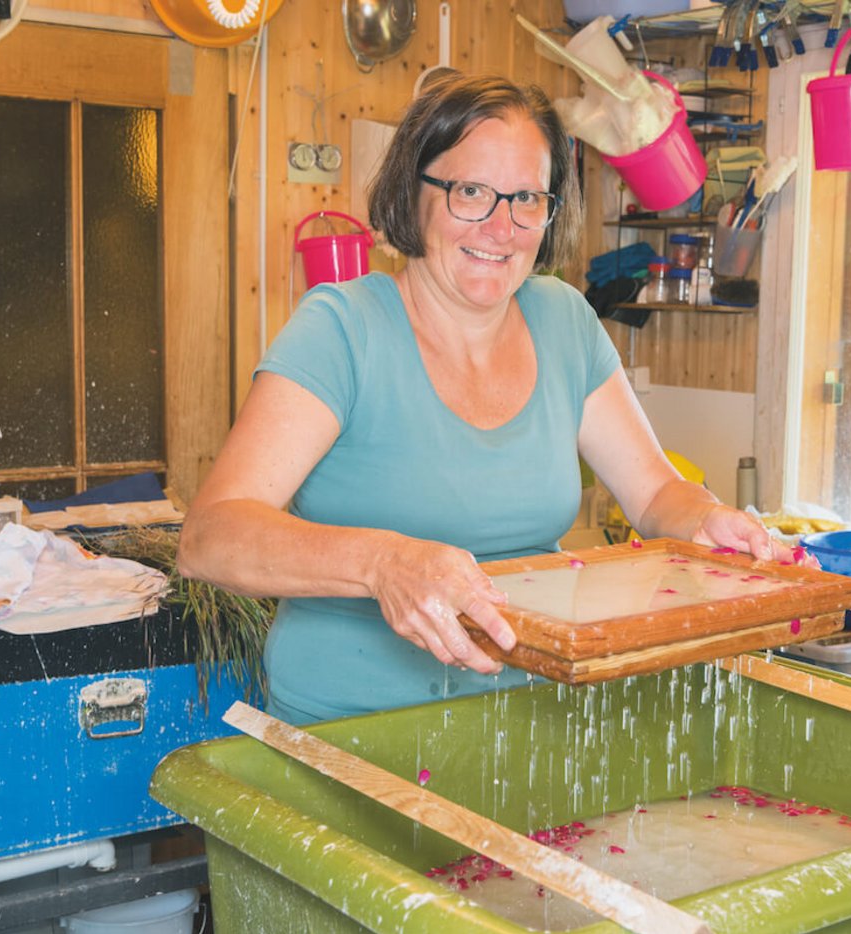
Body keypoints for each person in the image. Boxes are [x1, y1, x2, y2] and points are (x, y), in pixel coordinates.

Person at [178, 73, 797, 725]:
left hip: (532, 723)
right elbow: (211, 536)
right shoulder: (341, 329)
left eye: (526, 197)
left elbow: (652, 492)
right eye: (471, 192)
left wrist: (704, 517)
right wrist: (382, 563)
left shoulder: (564, 320)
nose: (502, 227)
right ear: (414, 192)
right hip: (348, 738)